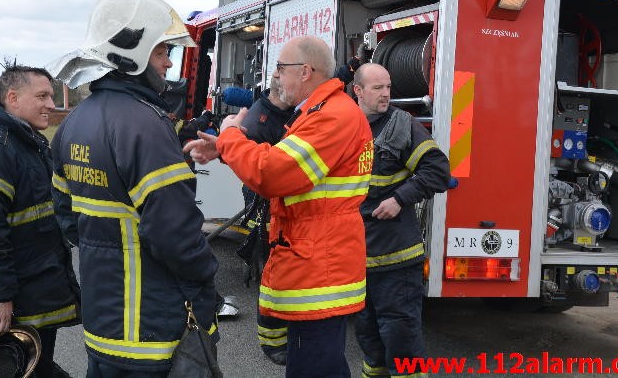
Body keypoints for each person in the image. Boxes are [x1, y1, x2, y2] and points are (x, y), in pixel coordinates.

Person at [46, 0, 219, 378]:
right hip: (150, 327)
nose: (169, 62)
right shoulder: (146, 127)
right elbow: (175, 233)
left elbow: (65, 215)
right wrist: (207, 275)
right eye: (161, 52)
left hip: (103, 325)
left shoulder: (73, 123)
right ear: (133, 57)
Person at [185, 35, 373, 378]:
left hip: (320, 269)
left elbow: (272, 174)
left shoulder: (332, 115)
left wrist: (230, 135)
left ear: (305, 72)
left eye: (280, 69)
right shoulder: (322, 112)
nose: (275, 77)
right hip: (316, 262)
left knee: (315, 369)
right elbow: (281, 163)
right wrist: (226, 151)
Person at [0, 64, 81, 378]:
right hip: (13, 302)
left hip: (35, 292)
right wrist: (0, 295)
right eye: (42, 96)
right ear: (13, 98)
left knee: (37, 368)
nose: (51, 105)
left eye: (51, 96)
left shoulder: (27, 142)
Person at [352, 63, 450, 378]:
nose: (385, 95)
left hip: (396, 259)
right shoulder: (346, 126)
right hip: (358, 258)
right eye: (377, 88)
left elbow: (438, 170)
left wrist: (399, 199)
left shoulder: (400, 125)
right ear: (358, 91)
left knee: (400, 337)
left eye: (388, 87)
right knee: (367, 336)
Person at [237, 76, 294, 365]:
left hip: (279, 201)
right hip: (265, 199)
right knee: (274, 267)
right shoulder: (259, 121)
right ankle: (272, 340)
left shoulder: (281, 111)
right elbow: (256, 170)